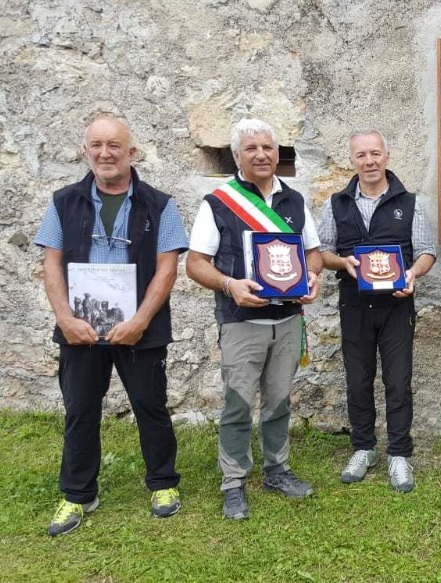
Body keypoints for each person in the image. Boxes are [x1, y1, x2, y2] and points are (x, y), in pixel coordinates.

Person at [35, 114, 189, 536]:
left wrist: (140, 320)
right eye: (97, 145)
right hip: (79, 331)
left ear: (131, 152)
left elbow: (167, 269)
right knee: (80, 411)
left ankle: (162, 484)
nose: (105, 153)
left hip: (141, 330)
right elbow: (50, 264)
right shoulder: (62, 201)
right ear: (86, 150)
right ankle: (78, 495)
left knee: (151, 407)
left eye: (114, 145)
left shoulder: (161, 204)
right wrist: (65, 319)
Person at [185, 118, 322, 520]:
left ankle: (277, 470)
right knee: (238, 404)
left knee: (279, 402)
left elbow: (312, 252)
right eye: (251, 149)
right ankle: (233, 482)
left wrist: (312, 275)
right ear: (236, 156)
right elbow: (195, 264)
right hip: (241, 321)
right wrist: (230, 285)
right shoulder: (218, 203)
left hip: (288, 320)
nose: (261, 155)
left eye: (267, 147)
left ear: (278, 153)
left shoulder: (294, 201)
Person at [318, 129, 436, 493]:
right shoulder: (336, 203)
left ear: (386, 156)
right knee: (357, 380)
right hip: (354, 304)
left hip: (398, 305)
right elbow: (321, 252)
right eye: (361, 156)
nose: (369, 161)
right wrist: (342, 262)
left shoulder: (411, 203)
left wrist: (413, 274)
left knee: (398, 381)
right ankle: (364, 448)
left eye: (375, 154)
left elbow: (427, 251)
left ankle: (399, 454)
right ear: (351, 160)